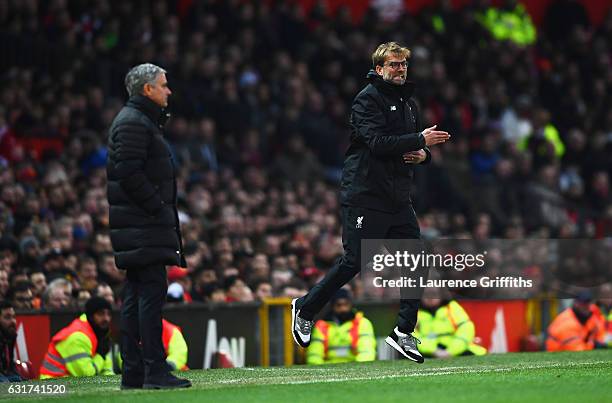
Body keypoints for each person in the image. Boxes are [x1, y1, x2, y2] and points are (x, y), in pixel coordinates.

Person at [291, 42, 450, 363]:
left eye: (404, 64)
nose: (400, 69)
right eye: (393, 64)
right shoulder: (367, 99)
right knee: (355, 260)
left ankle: (403, 331)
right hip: (366, 194)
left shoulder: (408, 103)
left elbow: (408, 150)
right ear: (378, 69)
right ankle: (305, 308)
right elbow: (377, 143)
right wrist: (420, 139)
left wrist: (423, 155)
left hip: (398, 197)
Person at [107, 63, 191, 389]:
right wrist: (157, 207)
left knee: (136, 295)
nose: (169, 91)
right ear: (148, 90)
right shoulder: (133, 123)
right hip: (144, 225)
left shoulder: (137, 121)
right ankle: (154, 369)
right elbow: (128, 173)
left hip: (139, 226)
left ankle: (134, 372)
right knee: (149, 296)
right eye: (164, 85)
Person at [39, 297, 114, 379]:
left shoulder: (97, 334)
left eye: (109, 314)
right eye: (101, 314)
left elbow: (106, 369)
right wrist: (101, 355)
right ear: (91, 316)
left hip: (68, 383)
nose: (106, 318)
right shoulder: (77, 337)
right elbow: (86, 376)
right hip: (53, 384)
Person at [306, 289, 376, 364]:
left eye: (346, 304)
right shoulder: (322, 326)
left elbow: (367, 352)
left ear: (351, 304)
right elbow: (314, 355)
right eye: (338, 305)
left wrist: (357, 370)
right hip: (328, 369)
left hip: (354, 366)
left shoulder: (362, 323)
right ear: (332, 306)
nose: (343, 308)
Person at [414, 289, 487, 358]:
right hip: (426, 352)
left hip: (456, 349)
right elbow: (411, 334)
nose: (430, 298)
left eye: (434, 294)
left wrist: (451, 351)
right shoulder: (415, 311)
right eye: (426, 294)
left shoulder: (451, 307)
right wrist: (433, 350)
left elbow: (466, 328)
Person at [0, 301, 22, 382]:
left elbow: (10, 367)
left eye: (14, 317)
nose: (13, 321)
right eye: (7, 317)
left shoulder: (10, 335)